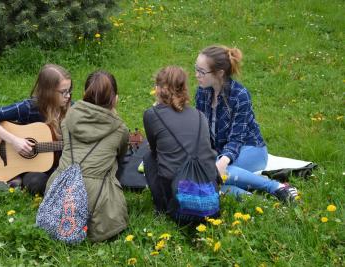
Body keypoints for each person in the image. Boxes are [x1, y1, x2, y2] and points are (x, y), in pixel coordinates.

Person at [194, 45, 298, 202]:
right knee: (208, 179)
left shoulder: (240, 95)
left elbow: (237, 139)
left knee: (215, 172)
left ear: (219, 73)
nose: (196, 75)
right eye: (196, 69)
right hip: (221, 153)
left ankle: (276, 187)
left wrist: (222, 161)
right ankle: (260, 202)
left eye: (201, 71)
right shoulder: (202, 92)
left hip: (250, 149)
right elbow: (201, 131)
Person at [45, 70, 129, 242]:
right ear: (115, 98)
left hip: (60, 188)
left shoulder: (67, 120)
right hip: (98, 201)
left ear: (84, 94)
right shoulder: (120, 129)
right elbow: (120, 157)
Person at [0, 64, 73, 195]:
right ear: (48, 92)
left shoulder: (72, 110)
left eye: (69, 90)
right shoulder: (29, 108)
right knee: (37, 182)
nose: (68, 96)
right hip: (31, 168)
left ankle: (16, 180)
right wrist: (14, 141)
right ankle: (17, 176)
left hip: (56, 165)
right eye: (64, 92)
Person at [143, 66, 219, 218]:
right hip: (207, 185)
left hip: (177, 190)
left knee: (149, 158)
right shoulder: (199, 115)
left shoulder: (152, 114)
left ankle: (163, 207)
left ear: (158, 89)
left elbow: (154, 149)